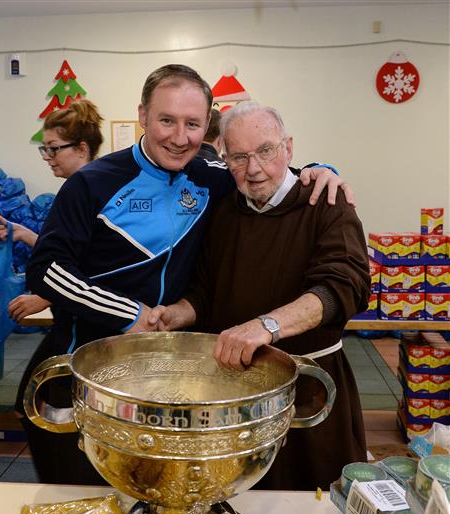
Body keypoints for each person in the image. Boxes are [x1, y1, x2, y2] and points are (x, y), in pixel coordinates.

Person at [24, 64, 354, 485]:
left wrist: (321, 170)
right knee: (91, 502)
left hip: (174, 386)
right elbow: (45, 270)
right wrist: (127, 314)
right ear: (142, 115)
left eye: (193, 124)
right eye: (167, 120)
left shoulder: (212, 177)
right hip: (90, 374)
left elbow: (268, 169)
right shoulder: (92, 183)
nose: (180, 138)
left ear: (207, 127)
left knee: (170, 499)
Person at [148, 101, 371, 491]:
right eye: (239, 157)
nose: (253, 169)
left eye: (265, 151)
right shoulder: (223, 213)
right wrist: (177, 314)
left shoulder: (327, 204)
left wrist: (267, 326)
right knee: (240, 499)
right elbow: (206, 290)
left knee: (310, 505)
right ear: (224, 158)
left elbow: (343, 286)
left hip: (310, 388)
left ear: (288, 147)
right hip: (237, 390)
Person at [0, 99, 108, 485]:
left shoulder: (88, 189)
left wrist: (46, 295)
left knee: (44, 408)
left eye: (55, 148)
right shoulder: (87, 188)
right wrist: (25, 235)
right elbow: (75, 253)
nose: (48, 157)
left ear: (82, 149)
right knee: (35, 402)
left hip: (81, 330)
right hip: (73, 323)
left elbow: (100, 267)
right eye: (46, 148)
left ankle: (66, 490)